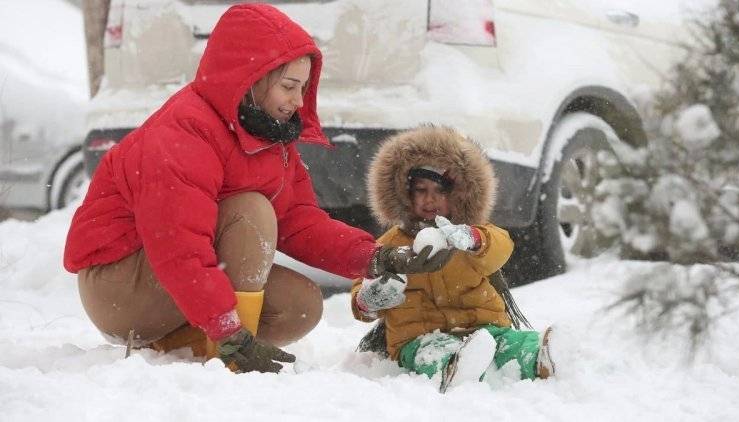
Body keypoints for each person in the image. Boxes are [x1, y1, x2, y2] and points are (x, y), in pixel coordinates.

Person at [63, 4, 452, 374]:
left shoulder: (267, 136)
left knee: (300, 306)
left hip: (170, 275)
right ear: (250, 79)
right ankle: (229, 351)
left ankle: (192, 346)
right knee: (251, 210)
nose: (298, 101)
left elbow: (299, 222)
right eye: (288, 86)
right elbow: (178, 248)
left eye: (304, 87)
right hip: (119, 285)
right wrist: (230, 331)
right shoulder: (181, 134)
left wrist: (376, 257)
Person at [351, 125, 555, 392]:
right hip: (419, 337)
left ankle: (540, 357)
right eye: (421, 190)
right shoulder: (389, 245)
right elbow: (361, 292)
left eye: (440, 191)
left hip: (483, 328)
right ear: (405, 194)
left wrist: (472, 239)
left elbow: (501, 246)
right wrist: (370, 299)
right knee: (431, 352)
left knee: (508, 342)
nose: (430, 199)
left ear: (459, 195)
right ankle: (453, 367)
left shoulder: (472, 235)